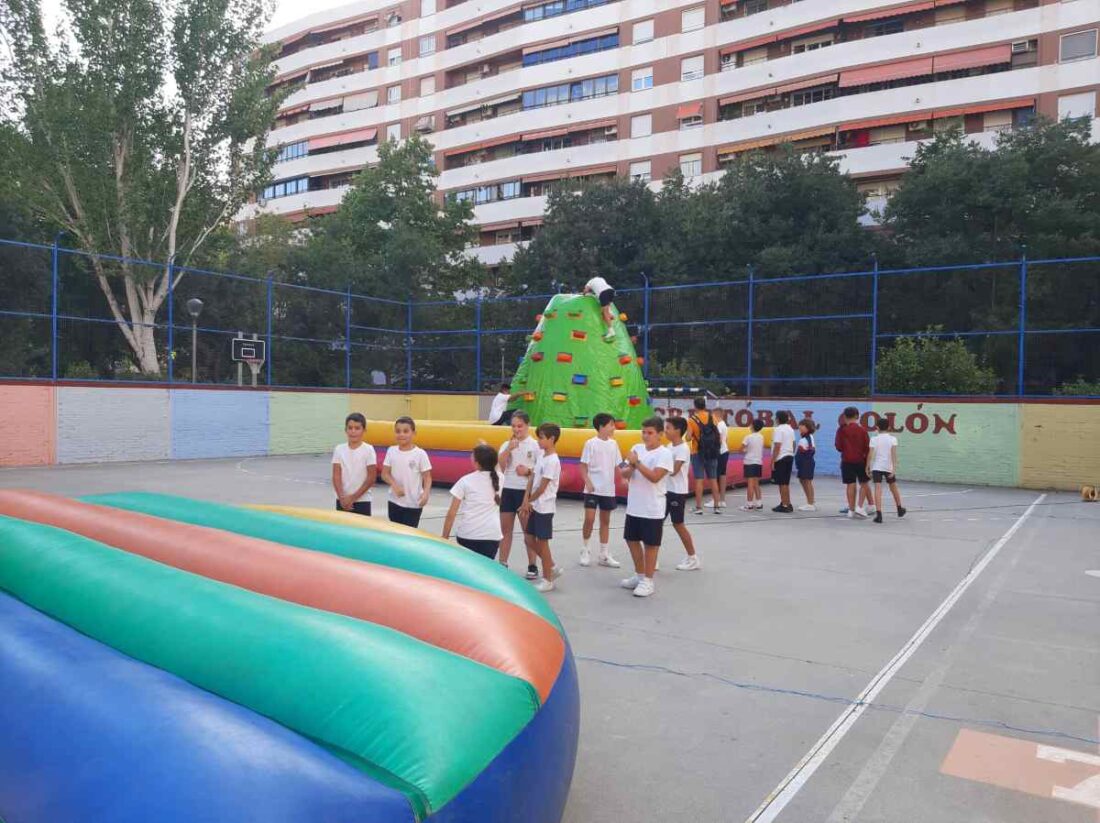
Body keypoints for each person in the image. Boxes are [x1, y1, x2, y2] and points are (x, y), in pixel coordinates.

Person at [620, 416, 674, 598]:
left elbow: (655, 477)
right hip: (634, 505)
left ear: (660, 434)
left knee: (650, 545)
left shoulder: (665, 454)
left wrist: (637, 463)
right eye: (643, 432)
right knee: (631, 540)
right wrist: (630, 467)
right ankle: (639, 574)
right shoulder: (637, 448)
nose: (645, 436)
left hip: (652, 507)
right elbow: (624, 471)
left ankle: (648, 580)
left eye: (650, 433)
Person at [520, 423, 563, 593]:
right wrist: (526, 499)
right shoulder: (542, 456)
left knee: (542, 543)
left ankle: (548, 579)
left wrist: (529, 501)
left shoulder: (553, 461)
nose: (539, 441)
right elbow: (533, 478)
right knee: (529, 538)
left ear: (552, 439)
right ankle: (551, 565)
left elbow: (543, 487)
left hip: (544, 506)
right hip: (535, 504)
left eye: (542, 438)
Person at [497, 410, 541, 575]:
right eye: (513, 426)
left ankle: (532, 565)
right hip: (508, 489)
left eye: (520, 426)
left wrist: (528, 471)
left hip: (525, 491)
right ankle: (503, 562)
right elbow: (500, 466)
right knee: (505, 529)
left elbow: (541, 470)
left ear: (527, 425)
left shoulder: (535, 445)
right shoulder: (507, 444)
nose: (516, 429)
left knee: (527, 530)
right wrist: (508, 449)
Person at [442, 444, 504, 558]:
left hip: (468, 534)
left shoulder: (465, 481)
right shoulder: (500, 478)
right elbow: (496, 467)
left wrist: (444, 538)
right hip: (491, 535)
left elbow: (452, 513)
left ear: (477, 463)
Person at [578, 412, 623, 568]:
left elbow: (618, 466)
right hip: (592, 489)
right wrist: (588, 481)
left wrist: (624, 479)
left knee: (605, 521)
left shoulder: (614, 444)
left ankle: (604, 554)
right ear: (602, 426)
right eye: (611, 424)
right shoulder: (590, 443)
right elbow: (583, 465)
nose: (614, 427)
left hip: (608, 490)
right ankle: (585, 549)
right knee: (589, 519)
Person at [381, 416, 433, 528]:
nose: (401, 434)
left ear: (413, 433)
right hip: (394, 501)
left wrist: (426, 494)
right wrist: (395, 486)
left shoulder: (420, 454)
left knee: (409, 534)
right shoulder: (391, 451)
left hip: (413, 503)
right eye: (398, 431)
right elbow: (385, 474)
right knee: (395, 533)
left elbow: (427, 477)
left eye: (406, 431)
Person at [664, 417, 700, 571]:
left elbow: (674, 471)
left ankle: (692, 557)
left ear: (678, 430)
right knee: (656, 523)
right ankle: (653, 559)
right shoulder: (668, 446)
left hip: (676, 492)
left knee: (678, 524)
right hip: (665, 491)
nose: (665, 431)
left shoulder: (683, 448)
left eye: (668, 428)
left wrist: (656, 470)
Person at [331, 412, 377, 516]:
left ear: (364, 430)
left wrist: (353, 498)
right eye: (350, 428)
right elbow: (336, 476)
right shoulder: (339, 449)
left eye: (357, 428)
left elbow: (371, 478)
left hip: (363, 500)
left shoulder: (368, 450)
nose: (353, 431)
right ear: (345, 430)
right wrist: (342, 497)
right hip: (342, 500)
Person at [836, 406, 874, 519]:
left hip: (846, 460)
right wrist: (867, 463)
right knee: (864, 483)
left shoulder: (841, 430)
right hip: (860, 460)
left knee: (850, 485)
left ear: (844, 416)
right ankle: (863, 506)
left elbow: (838, 446)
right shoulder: (862, 430)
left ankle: (851, 510)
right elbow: (867, 447)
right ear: (857, 416)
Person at [867, 418, 907, 523]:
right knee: (893, 488)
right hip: (888, 467)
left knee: (878, 489)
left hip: (877, 467)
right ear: (889, 427)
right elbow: (894, 456)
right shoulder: (893, 439)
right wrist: (893, 469)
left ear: (877, 427)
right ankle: (899, 509)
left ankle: (879, 514)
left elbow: (870, 455)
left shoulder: (874, 439)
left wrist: (867, 466)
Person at [686, 397, 722, 515]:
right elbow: (718, 434)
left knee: (699, 480)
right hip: (712, 452)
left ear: (695, 406)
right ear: (705, 405)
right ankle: (717, 506)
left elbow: (688, 437)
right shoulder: (713, 417)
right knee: (713, 480)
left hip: (698, 452)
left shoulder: (691, 420)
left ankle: (699, 507)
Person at [706, 408, 730, 509]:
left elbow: (718, 439)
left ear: (716, 414)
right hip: (725, 451)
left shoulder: (719, 425)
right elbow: (725, 439)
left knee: (714, 476)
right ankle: (722, 500)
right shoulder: (724, 424)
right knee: (722, 475)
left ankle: (715, 499)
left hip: (719, 452)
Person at [740, 419, 765, 511]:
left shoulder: (748, 437)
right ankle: (759, 503)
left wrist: (745, 450)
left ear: (753, 426)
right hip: (758, 462)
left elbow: (741, 449)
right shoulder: (761, 437)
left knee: (750, 484)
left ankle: (749, 504)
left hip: (749, 462)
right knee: (756, 484)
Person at [582, 276, 617, 341]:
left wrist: (584, 293)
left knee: (605, 312)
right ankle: (611, 315)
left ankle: (611, 331)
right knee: (607, 307)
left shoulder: (590, 282)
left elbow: (585, 291)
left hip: (603, 293)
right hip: (611, 290)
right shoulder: (601, 278)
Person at [795, 418, 817, 512]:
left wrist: (805, 459)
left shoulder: (808, 437)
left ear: (807, 427)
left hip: (806, 462)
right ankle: (810, 501)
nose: (799, 427)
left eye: (801, 425)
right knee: (803, 480)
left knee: (807, 481)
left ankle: (810, 503)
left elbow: (811, 449)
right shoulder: (804, 438)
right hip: (803, 462)